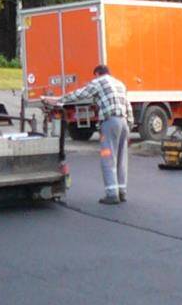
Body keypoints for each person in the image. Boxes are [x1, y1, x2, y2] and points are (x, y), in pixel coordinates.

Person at [44, 65, 132, 205]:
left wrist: (59, 100)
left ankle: (112, 194)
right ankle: (122, 192)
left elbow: (80, 94)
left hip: (110, 122)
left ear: (97, 74)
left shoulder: (98, 82)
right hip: (123, 122)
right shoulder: (120, 84)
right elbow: (128, 106)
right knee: (121, 159)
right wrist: (129, 126)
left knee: (108, 158)